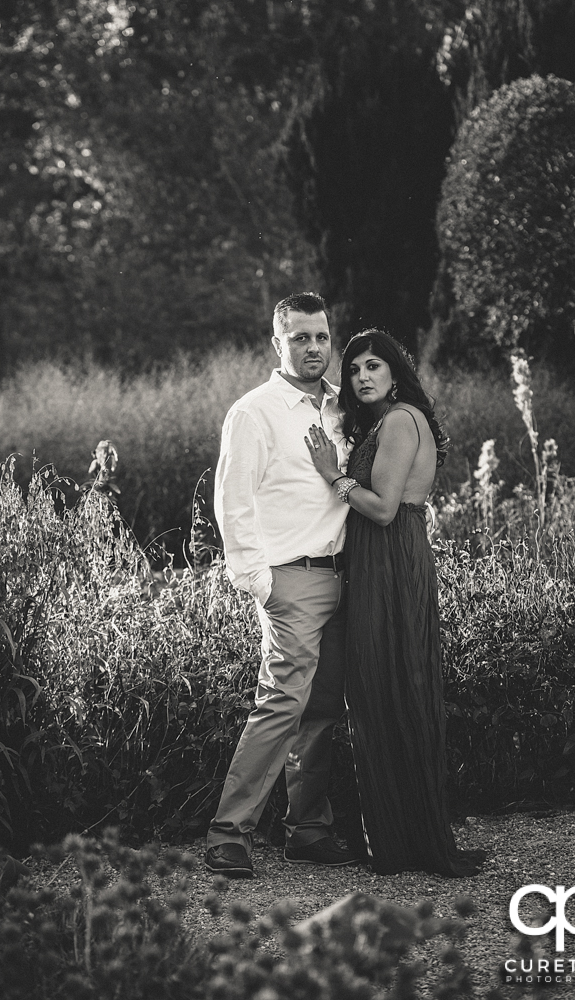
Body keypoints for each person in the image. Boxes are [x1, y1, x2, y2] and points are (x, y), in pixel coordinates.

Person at [305, 329, 486, 877]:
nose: (361, 376)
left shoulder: (403, 418)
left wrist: (330, 472)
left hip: (392, 558)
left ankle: (409, 840)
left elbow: (383, 508)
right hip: (377, 562)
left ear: (395, 373)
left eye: (373, 367)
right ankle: (396, 836)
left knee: (394, 686)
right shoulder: (384, 421)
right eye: (354, 368)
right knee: (379, 688)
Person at [206, 292, 361, 878]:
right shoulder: (255, 412)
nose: (314, 347)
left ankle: (309, 829)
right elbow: (232, 501)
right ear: (278, 343)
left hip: (347, 576)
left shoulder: (345, 410)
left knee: (322, 710)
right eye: (300, 337)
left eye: (322, 336)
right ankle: (229, 833)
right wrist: (258, 582)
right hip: (291, 581)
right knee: (281, 704)